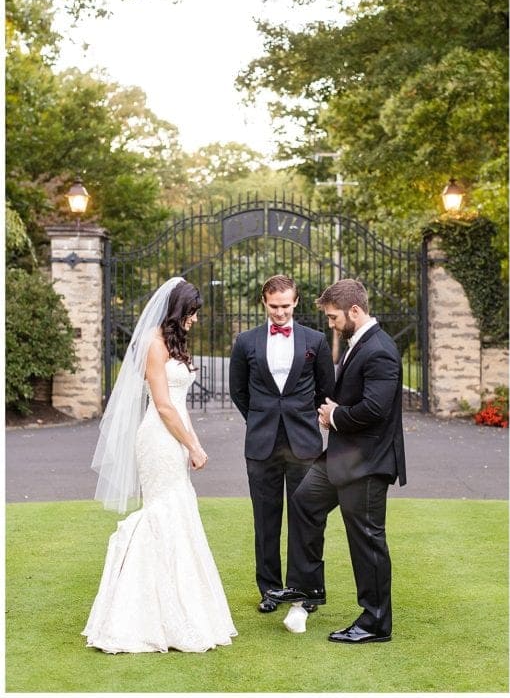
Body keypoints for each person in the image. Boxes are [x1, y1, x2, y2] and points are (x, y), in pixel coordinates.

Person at [83, 277, 237, 653]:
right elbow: (165, 406)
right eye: (192, 313)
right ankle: (137, 613)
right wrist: (193, 446)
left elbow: (178, 408)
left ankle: (179, 603)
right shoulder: (153, 343)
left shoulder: (171, 342)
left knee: (177, 512)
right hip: (159, 438)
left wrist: (193, 443)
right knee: (163, 512)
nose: (195, 320)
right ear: (177, 310)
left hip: (175, 437)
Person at [267, 278, 407, 644]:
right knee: (303, 503)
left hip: (368, 462)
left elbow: (376, 408)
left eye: (333, 317)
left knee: (366, 539)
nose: (330, 324)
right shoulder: (358, 343)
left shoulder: (380, 350)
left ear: (354, 311)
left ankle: (375, 622)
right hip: (342, 457)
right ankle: (308, 589)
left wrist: (335, 416)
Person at [228, 275, 335, 617]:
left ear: (296, 302)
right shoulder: (245, 342)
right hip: (261, 444)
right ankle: (271, 590)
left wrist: (302, 417)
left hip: (304, 442)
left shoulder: (315, 340)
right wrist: (260, 419)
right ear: (264, 303)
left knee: (306, 518)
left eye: (285, 306)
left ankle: (304, 589)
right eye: (274, 306)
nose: (279, 313)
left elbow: (325, 388)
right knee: (266, 520)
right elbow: (238, 391)